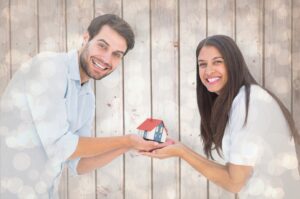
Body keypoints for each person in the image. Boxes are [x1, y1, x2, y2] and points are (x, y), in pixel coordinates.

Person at [0, 14, 168, 199]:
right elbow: (60, 146)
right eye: (102, 45)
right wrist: (126, 140)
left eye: (116, 54)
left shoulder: (87, 96)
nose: (106, 58)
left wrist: (130, 146)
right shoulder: (49, 67)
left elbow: (78, 164)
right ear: (86, 38)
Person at [142, 35, 300, 198]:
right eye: (202, 65)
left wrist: (182, 152)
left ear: (233, 63)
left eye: (217, 62)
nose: (208, 71)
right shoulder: (243, 99)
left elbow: (234, 182)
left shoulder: (249, 101)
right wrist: (180, 149)